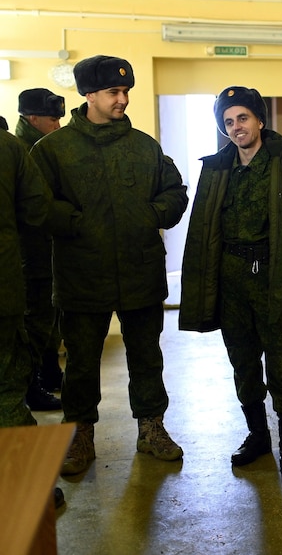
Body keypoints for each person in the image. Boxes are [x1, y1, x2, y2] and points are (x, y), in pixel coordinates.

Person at [30, 55, 189, 476]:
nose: (123, 100)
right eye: (114, 93)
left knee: (147, 357)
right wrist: (76, 223)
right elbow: (37, 205)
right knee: (82, 363)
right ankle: (79, 436)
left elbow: (175, 192)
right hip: (82, 276)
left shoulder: (143, 147)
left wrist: (151, 214)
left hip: (140, 273)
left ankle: (151, 427)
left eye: (126, 92)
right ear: (89, 95)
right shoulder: (53, 150)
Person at [180, 86, 282, 487]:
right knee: (243, 364)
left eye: (242, 118)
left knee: (281, 367)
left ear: (260, 120)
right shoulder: (218, 168)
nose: (236, 127)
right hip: (231, 281)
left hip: (274, 280)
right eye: (228, 121)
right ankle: (258, 437)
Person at [0, 129, 65, 509]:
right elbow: (37, 209)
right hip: (4, 286)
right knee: (7, 386)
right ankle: (29, 484)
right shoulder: (8, 147)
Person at [15, 88, 67, 409]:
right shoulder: (21, 151)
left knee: (50, 319)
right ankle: (30, 387)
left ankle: (48, 374)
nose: (58, 125)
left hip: (44, 252)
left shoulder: (38, 147)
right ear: (33, 118)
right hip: (29, 255)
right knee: (35, 322)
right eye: (52, 119)